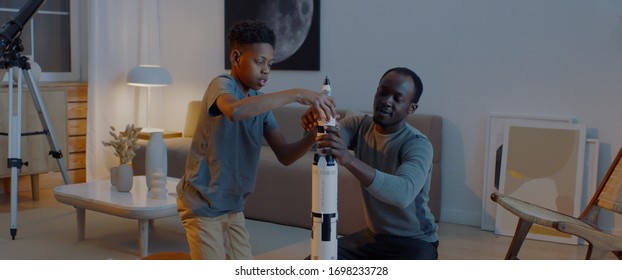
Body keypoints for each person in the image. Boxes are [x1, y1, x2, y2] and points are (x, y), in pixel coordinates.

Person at [176, 20, 336, 260]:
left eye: (270, 64)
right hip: (203, 206)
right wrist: (298, 93)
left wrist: (314, 134)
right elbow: (236, 111)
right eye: (259, 62)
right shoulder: (221, 85)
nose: (266, 70)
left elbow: (284, 155)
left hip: (234, 207)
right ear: (236, 58)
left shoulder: (261, 104)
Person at [302, 67, 439, 260]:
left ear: (412, 108)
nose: (386, 101)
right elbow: (325, 142)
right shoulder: (359, 124)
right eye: (382, 92)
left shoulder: (417, 144)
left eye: (397, 98)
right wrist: (318, 125)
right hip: (375, 237)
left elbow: (403, 193)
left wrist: (348, 159)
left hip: (416, 242)